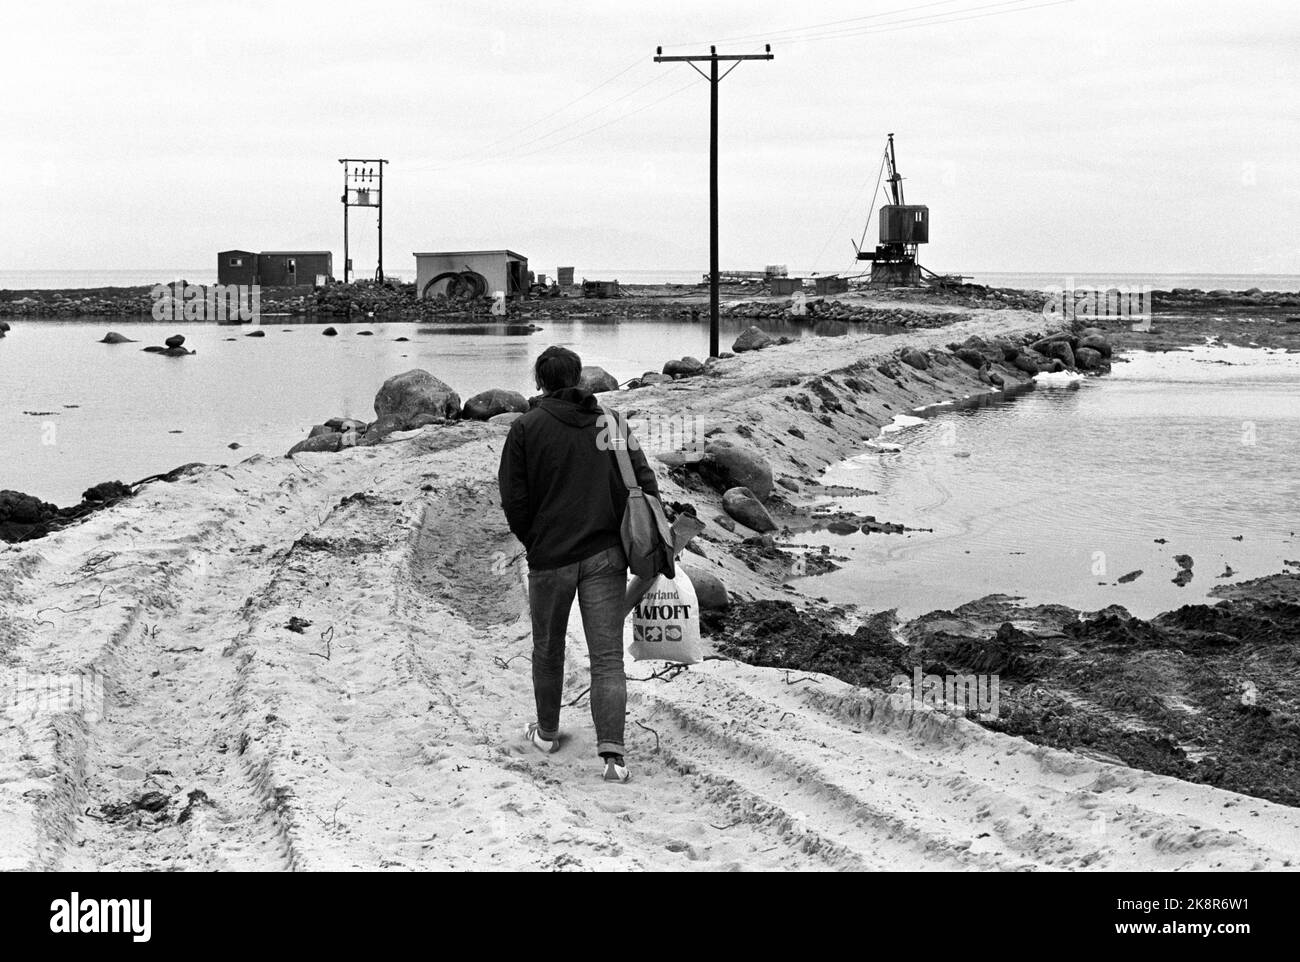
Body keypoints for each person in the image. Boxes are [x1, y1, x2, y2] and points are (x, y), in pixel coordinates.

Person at [497, 347, 660, 783]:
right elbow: (646, 484)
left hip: (550, 558)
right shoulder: (611, 424)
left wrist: (536, 540)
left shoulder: (526, 429)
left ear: (540, 381)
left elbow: (513, 500)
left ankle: (547, 734)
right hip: (606, 556)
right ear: (578, 378)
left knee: (547, 650)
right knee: (607, 658)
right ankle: (614, 760)